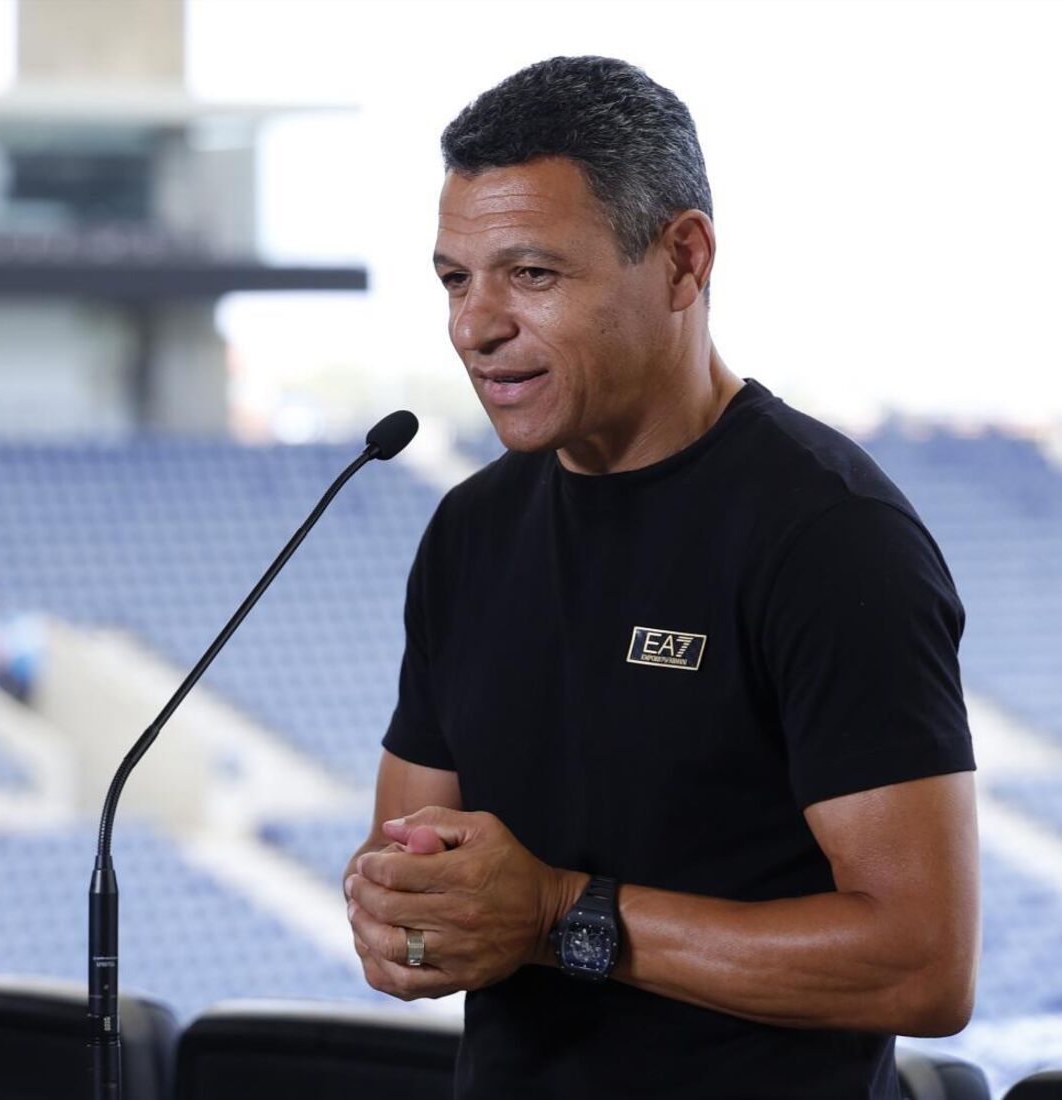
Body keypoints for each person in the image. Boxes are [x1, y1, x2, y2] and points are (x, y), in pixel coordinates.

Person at [342, 55, 979, 1100]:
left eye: (532, 274)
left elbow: (921, 961)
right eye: (456, 278)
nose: (474, 324)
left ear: (683, 260)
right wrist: (400, 915)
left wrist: (560, 912)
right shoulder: (469, 527)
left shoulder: (829, 536)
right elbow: (411, 881)